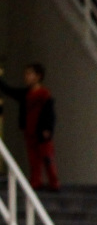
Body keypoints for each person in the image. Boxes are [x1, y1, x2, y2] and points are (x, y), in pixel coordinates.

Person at [0, 63, 58, 191]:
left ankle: (53, 182)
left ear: (38, 76)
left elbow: (50, 113)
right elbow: (10, 91)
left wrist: (48, 128)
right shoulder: (26, 94)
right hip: (30, 132)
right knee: (33, 159)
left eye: (29, 74)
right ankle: (36, 181)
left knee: (47, 157)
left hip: (41, 132)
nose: (26, 77)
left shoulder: (44, 94)